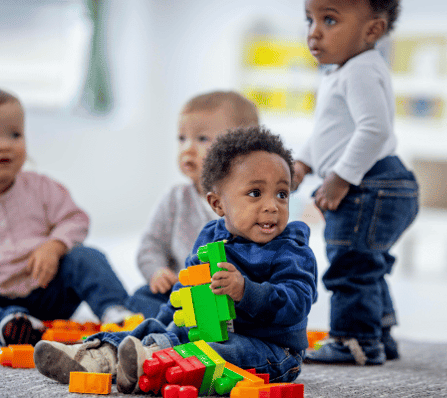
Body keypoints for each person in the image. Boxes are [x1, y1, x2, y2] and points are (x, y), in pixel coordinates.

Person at [34, 126, 318, 393]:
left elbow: (297, 303)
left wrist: (246, 291)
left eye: (282, 194)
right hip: (207, 332)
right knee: (160, 328)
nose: (272, 206)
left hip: (271, 350)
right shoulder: (210, 237)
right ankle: (101, 355)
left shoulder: (291, 249)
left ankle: (153, 361)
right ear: (218, 204)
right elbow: (186, 293)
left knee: (225, 352)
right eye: (255, 193)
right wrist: (164, 326)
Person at [293, 0, 419, 365]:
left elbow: (374, 129)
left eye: (329, 20)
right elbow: (329, 133)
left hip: (371, 185)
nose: (314, 32)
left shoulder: (359, 71)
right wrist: (303, 163)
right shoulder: (343, 71)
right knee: (367, 261)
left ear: (372, 30)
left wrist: (340, 178)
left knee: (350, 263)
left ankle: (355, 340)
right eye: (310, 19)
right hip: (383, 184)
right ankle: (379, 332)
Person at [0, 89, 134, 347]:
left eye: (15, 134)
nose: (6, 144)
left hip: (46, 289)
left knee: (85, 256)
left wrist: (55, 245)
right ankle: (13, 325)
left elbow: (75, 219)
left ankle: (115, 311)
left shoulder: (41, 187)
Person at [127, 91, 260, 318]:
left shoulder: (250, 201)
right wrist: (157, 272)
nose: (187, 148)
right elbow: (151, 245)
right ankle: (178, 324)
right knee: (140, 298)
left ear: (242, 150)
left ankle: (182, 326)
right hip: (183, 293)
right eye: (182, 138)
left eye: (202, 139)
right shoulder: (175, 198)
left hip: (229, 295)